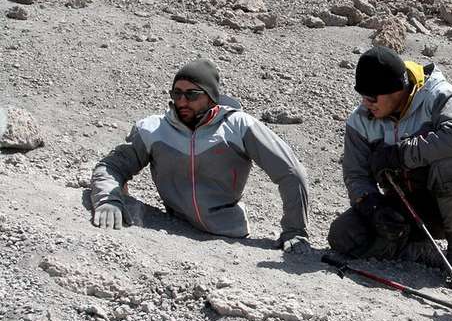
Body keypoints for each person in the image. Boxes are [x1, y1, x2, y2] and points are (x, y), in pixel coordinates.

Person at [90, 59, 312, 255]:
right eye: (177, 94)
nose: (182, 101)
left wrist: (295, 230)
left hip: (230, 236)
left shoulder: (239, 126)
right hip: (173, 228)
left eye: (192, 95)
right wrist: (108, 200)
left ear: (211, 97)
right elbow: (111, 166)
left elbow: (291, 172)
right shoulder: (151, 130)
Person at [327, 46, 452, 289]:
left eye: (372, 97)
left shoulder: (440, 96)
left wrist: (401, 154)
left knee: (448, 163)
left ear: (396, 90)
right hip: (401, 208)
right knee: (343, 235)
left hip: (445, 205)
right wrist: (373, 207)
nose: (366, 103)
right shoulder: (360, 120)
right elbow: (355, 175)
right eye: (363, 96)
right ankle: (418, 250)